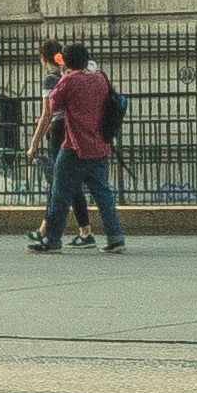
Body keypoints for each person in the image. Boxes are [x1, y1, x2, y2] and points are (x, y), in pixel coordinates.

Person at [28, 42, 123, 252]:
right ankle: (116, 238)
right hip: (99, 145)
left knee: (60, 193)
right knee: (103, 194)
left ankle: (51, 240)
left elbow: (53, 105)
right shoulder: (99, 77)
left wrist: (63, 76)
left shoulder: (69, 81)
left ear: (67, 62)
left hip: (74, 146)